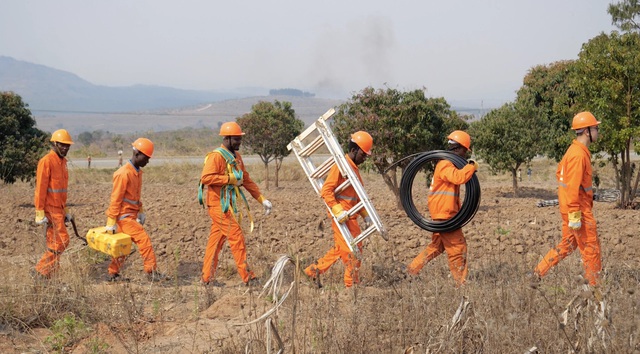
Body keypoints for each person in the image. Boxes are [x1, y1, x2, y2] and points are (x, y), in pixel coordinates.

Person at [200, 122, 272, 286]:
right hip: (217, 206)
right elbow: (206, 178)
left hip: (229, 205)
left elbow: (246, 180)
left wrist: (262, 199)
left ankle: (206, 278)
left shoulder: (236, 157)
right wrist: (229, 179)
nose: (240, 142)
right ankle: (248, 277)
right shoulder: (216, 156)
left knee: (216, 242)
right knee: (236, 236)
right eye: (237, 139)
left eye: (240, 139)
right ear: (227, 138)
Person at [534, 112, 602, 286]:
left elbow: (561, 175)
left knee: (568, 245)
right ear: (587, 131)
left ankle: (537, 274)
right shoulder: (578, 155)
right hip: (578, 212)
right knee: (591, 249)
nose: (597, 131)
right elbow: (571, 187)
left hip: (571, 209)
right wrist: (575, 216)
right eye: (595, 128)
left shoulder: (573, 151)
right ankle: (595, 290)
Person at [406, 130, 478, 286]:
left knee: (437, 246)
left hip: (444, 213)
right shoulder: (445, 164)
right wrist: (471, 166)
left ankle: (411, 270)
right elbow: (459, 177)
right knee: (458, 247)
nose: (465, 156)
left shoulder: (446, 163)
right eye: (465, 152)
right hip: (445, 214)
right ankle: (461, 283)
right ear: (458, 149)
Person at [304, 131, 374, 288]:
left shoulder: (353, 169)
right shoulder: (341, 167)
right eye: (364, 154)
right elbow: (326, 191)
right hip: (343, 218)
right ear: (354, 150)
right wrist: (337, 210)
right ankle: (352, 285)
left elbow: (356, 197)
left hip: (351, 218)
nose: (365, 158)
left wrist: (366, 216)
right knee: (352, 250)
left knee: (340, 250)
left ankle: (311, 272)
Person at [104, 138, 168, 282]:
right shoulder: (123, 173)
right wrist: (111, 221)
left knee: (122, 246)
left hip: (130, 215)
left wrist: (140, 211)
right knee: (144, 240)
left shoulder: (137, 172)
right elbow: (116, 199)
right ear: (137, 153)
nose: (148, 161)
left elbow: (135, 197)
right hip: (124, 217)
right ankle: (151, 272)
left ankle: (112, 273)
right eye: (146, 157)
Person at [33, 129, 75, 279]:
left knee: (54, 242)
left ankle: (50, 276)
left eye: (67, 145)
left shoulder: (63, 163)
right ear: (55, 144)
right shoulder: (47, 161)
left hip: (59, 209)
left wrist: (66, 210)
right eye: (62, 145)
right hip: (50, 209)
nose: (65, 148)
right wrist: (39, 212)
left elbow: (61, 191)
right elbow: (40, 188)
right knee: (63, 240)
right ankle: (40, 270)